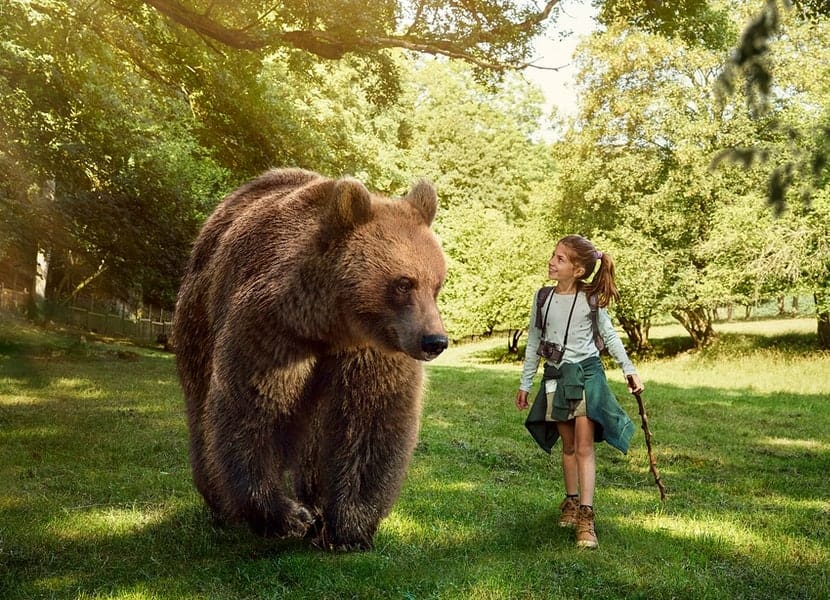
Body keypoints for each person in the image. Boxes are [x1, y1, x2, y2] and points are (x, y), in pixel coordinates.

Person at [514, 234, 643, 549]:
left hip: (585, 376)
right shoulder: (542, 298)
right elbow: (534, 341)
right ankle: (570, 502)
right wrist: (525, 382)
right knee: (568, 447)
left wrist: (629, 369)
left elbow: (610, 336)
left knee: (584, 447)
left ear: (578, 270)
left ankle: (586, 516)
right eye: (553, 255)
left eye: (560, 258)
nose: (552, 261)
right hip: (556, 378)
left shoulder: (590, 299)